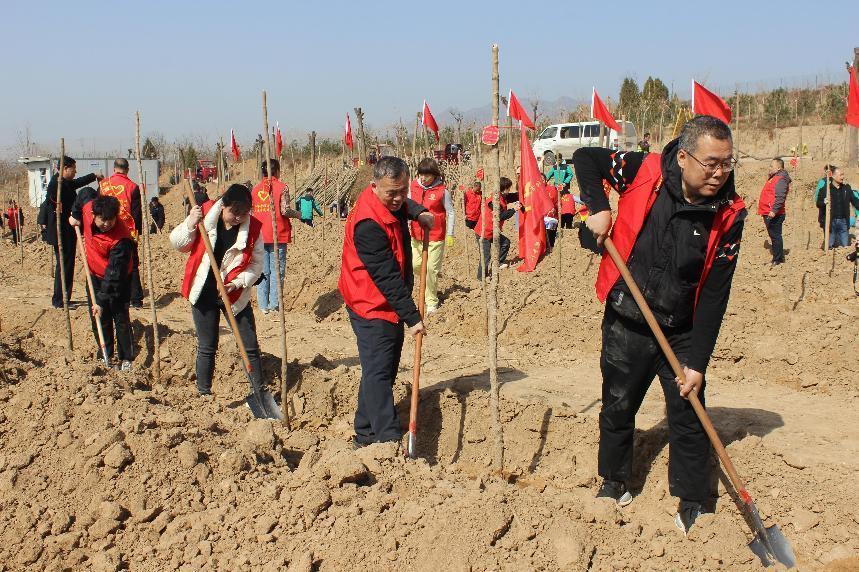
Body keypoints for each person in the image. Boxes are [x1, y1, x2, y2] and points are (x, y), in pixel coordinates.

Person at [573, 115, 747, 533]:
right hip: (627, 318)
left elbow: (714, 294)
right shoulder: (645, 170)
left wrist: (698, 362)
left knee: (689, 411)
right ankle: (615, 481)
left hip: (680, 326)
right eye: (711, 163)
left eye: (727, 163)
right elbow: (585, 158)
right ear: (683, 157)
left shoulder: (728, 213)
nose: (720, 173)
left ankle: (693, 502)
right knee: (617, 404)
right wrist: (598, 210)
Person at [338, 157, 433, 446]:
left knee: (383, 367)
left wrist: (418, 213)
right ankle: (387, 439)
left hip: (387, 302)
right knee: (379, 370)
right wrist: (413, 318)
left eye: (403, 190)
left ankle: (365, 432)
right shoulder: (368, 223)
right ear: (374, 186)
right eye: (391, 192)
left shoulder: (394, 200)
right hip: (369, 302)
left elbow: (404, 203)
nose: (398, 198)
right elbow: (387, 278)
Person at [169, 184, 266, 397]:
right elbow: (177, 243)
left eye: (244, 213)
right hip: (204, 290)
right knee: (207, 344)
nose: (238, 218)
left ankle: (259, 391)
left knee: (249, 345)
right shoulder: (204, 215)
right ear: (223, 206)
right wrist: (190, 223)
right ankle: (204, 392)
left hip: (234, 293)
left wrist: (238, 282)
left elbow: (257, 264)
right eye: (234, 212)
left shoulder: (254, 229)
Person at [69, 193, 135, 370]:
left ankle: (126, 357)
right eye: (102, 220)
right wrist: (75, 215)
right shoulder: (87, 208)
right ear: (94, 214)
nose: (106, 224)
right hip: (93, 275)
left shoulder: (121, 240)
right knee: (100, 317)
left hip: (118, 278)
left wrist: (101, 301)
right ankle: (105, 352)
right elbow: (83, 193)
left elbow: (113, 275)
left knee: (120, 317)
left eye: (110, 220)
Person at [37, 156, 103, 308]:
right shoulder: (56, 184)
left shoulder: (63, 182)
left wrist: (93, 176)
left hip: (67, 231)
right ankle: (60, 301)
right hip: (62, 232)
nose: (76, 171)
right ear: (65, 169)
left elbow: (75, 183)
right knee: (64, 265)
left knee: (66, 264)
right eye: (73, 168)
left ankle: (64, 298)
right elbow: (52, 200)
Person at [408, 158, 455, 313]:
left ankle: (431, 301)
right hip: (416, 234)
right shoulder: (412, 186)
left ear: (434, 175)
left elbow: (451, 212)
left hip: (435, 236)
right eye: (421, 174)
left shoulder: (442, 191)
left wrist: (450, 233)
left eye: (427, 175)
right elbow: (406, 205)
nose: (423, 178)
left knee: (430, 270)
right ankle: (428, 282)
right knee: (415, 265)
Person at [251, 159, 297, 315]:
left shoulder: (255, 189)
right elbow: (285, 211)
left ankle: (263, 306)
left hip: (260, 235)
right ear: (276, 170)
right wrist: (299, 214)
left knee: (263, 271)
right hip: (278, 234)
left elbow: (252, 212)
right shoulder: (282, 188)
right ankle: (274, 304)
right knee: (277, 270)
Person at [99, 158, 144, 307]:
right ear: (127, 169)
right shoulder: (132, 187)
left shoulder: (103, 184)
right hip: (127, 232)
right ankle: (136, 299)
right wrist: (137, 234)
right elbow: (137, 214)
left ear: (114, 169)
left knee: (108, 262)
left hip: (107, 229)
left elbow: (98, 208)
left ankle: (109, 293)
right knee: (132, 263)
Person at [475, 177, 518, 279]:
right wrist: (514, 209)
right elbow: (501, 216)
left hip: (493, 231)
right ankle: (481, 278)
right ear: (504, 188)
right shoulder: (493, 201)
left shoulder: (502, 197)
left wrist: (523, 193)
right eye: (508, 188)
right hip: (484, 232)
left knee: (505, 243)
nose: (509, 191)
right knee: (485, 256)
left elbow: (512, 196)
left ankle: (498, 262)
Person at [757, 158, 790, 265]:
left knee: (776, 236)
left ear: (779, 168)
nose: (769, 168)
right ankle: (778, 257)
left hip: (774, 214)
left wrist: (774, 211)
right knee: (774, 236)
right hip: (769, 212)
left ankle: (778, 259)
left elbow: (780, 197)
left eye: (772, 166)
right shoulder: (775, 178)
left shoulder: (780, 179)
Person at [817, 166, 859, 249]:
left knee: (845, 247)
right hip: (830, 221)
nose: (843, 177)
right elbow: (818, 203)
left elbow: (855, 201)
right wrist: (824, 202)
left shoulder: (846, 188)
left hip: (843, 221)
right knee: (829, 246)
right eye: (841, 175)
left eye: (843, 175)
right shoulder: (825, 190)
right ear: (833, 176)